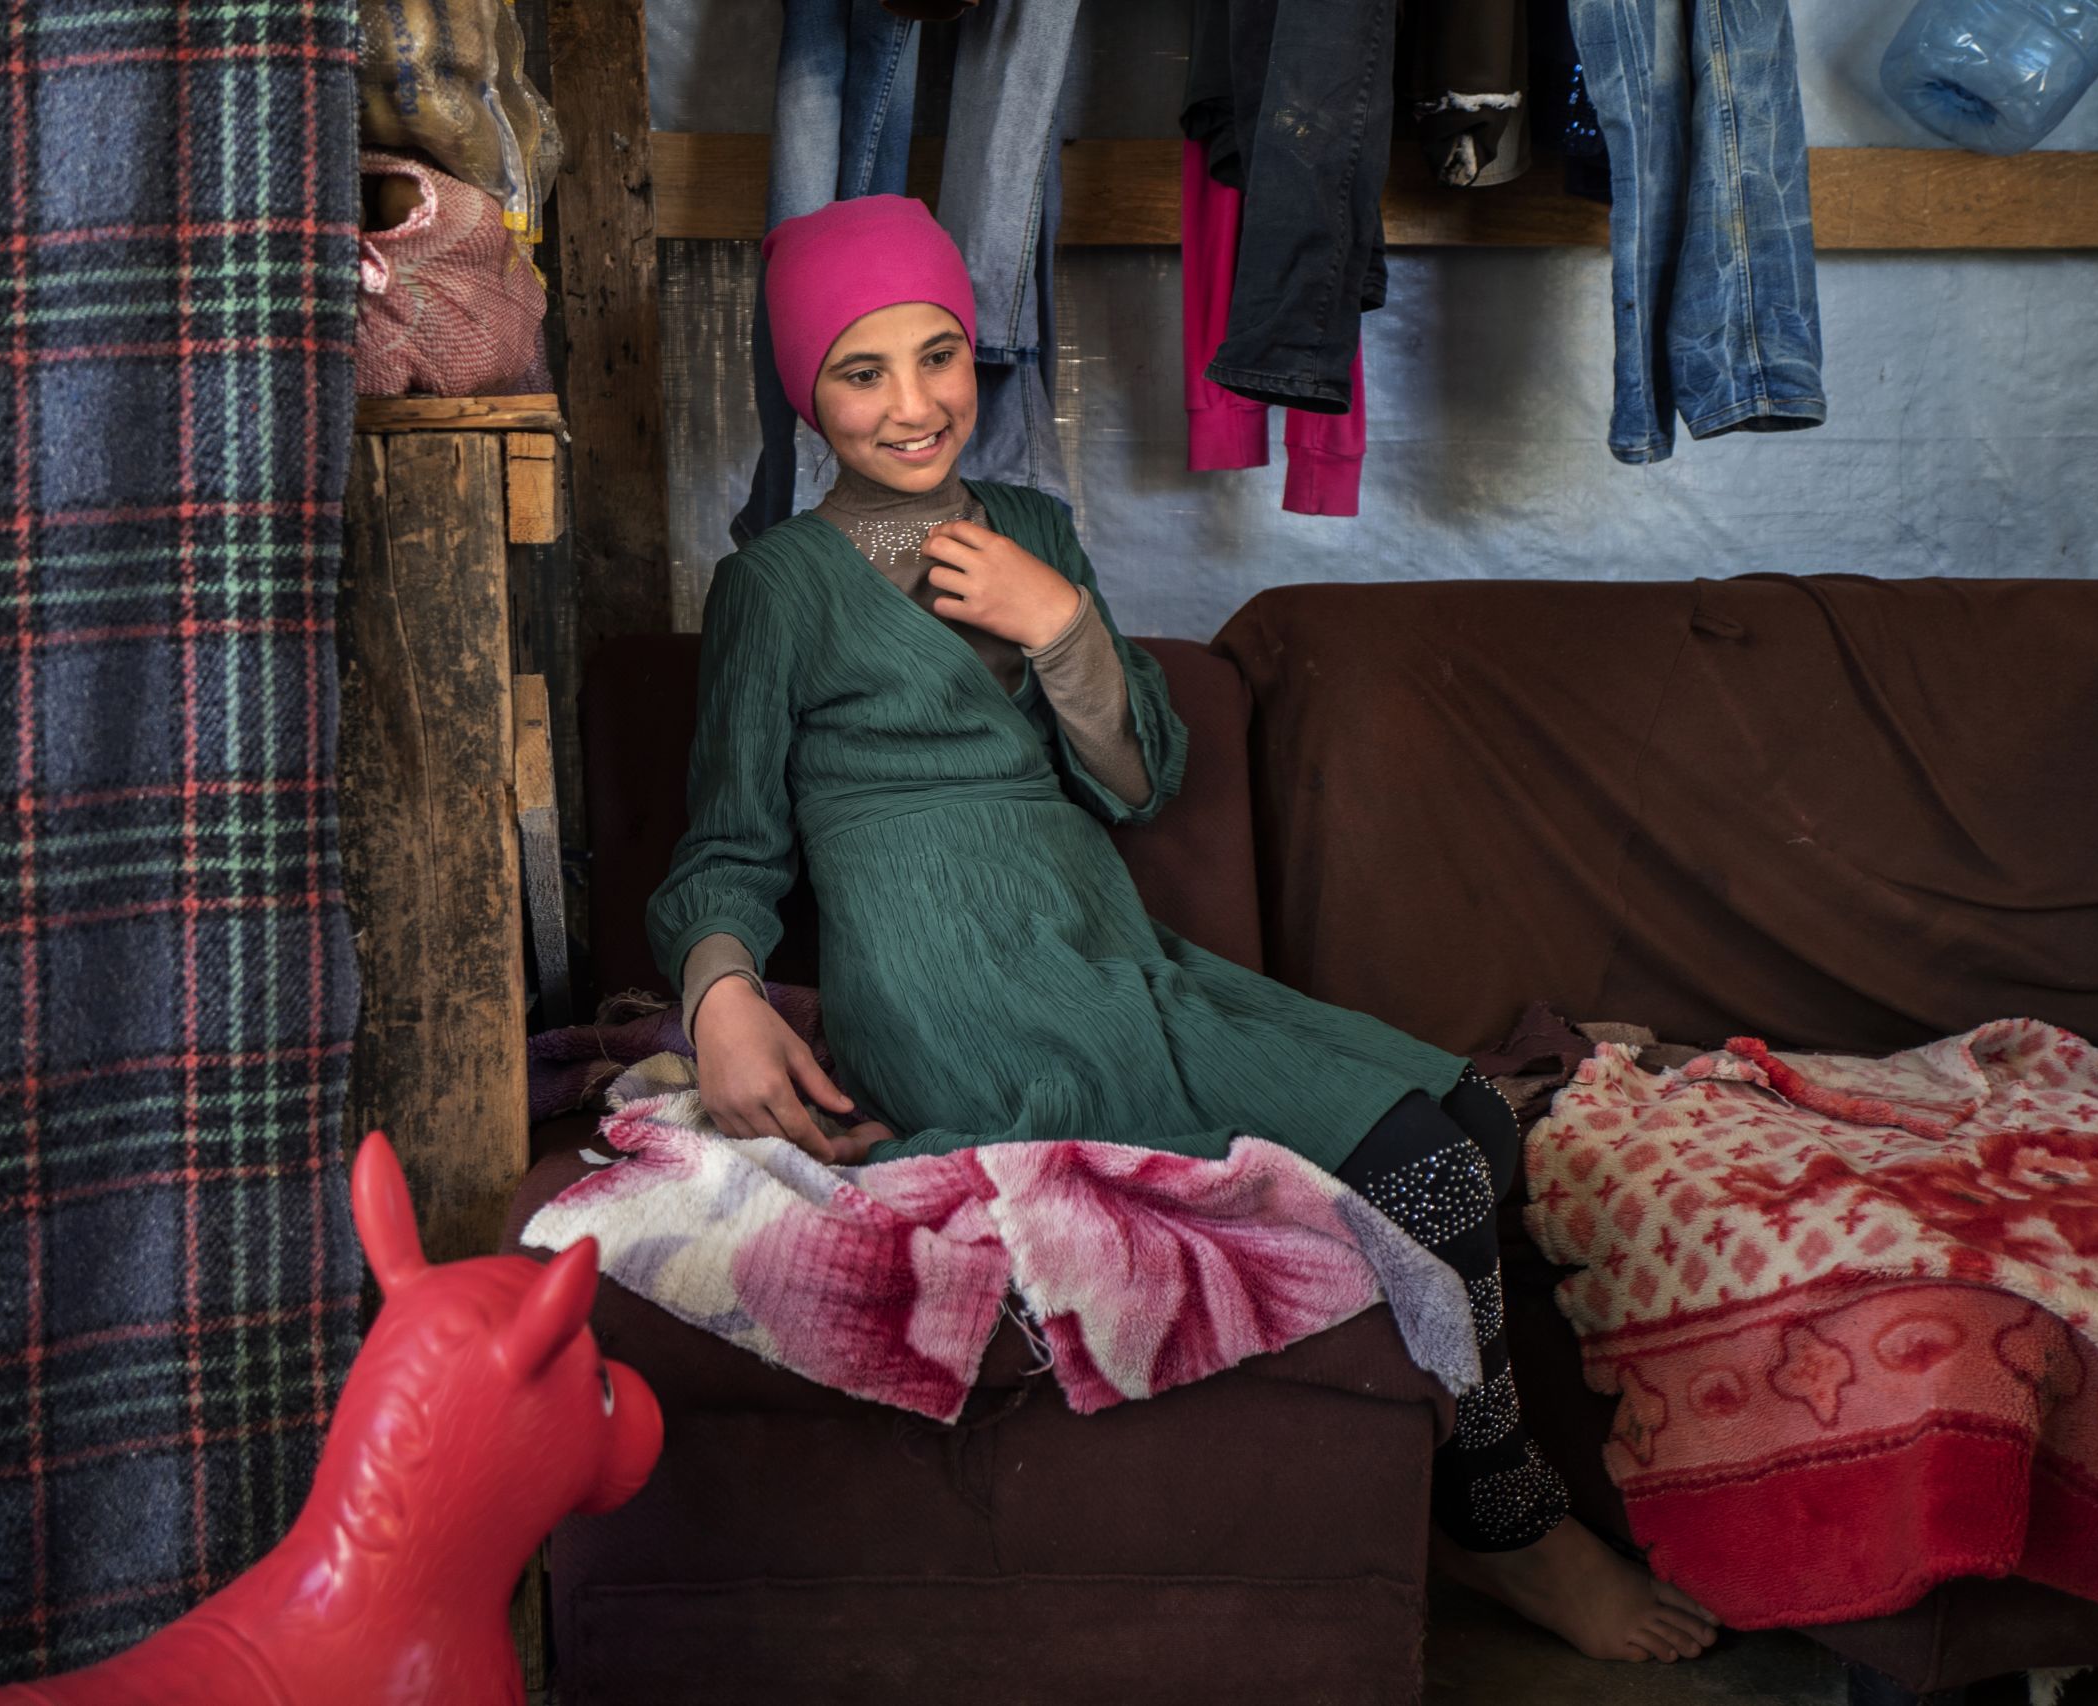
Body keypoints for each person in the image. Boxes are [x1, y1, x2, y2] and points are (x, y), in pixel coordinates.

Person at [648, 194, 1718, 1665]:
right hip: (961, 986)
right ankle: (1508, 1523)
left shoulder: (1032, 526)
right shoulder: (772, 587)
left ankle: (1470, 1475)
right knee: (1424, 1168)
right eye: (862, 370)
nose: (913, 404)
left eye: (940, 355)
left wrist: (1062, 626)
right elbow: (727, 845)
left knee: (1481, 1118)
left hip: (1106, 949)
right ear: (803, 389)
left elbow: (1139, 778)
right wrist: (720, 990)